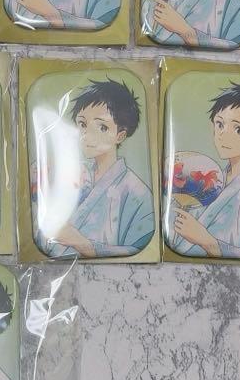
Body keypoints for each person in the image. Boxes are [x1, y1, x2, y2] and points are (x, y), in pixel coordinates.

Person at [39, 79, 154, 258]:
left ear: (120, 135)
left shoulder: (137, 192)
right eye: (83, 124)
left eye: (102, 127)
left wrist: (82, 243)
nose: (87, 135)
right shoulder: (71, 175)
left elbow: (139, 250)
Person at [169, 82, 240, 260]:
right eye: (220, 124)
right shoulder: (206, 181)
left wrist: (207, 241)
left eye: (238, 130)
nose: (223, 134)